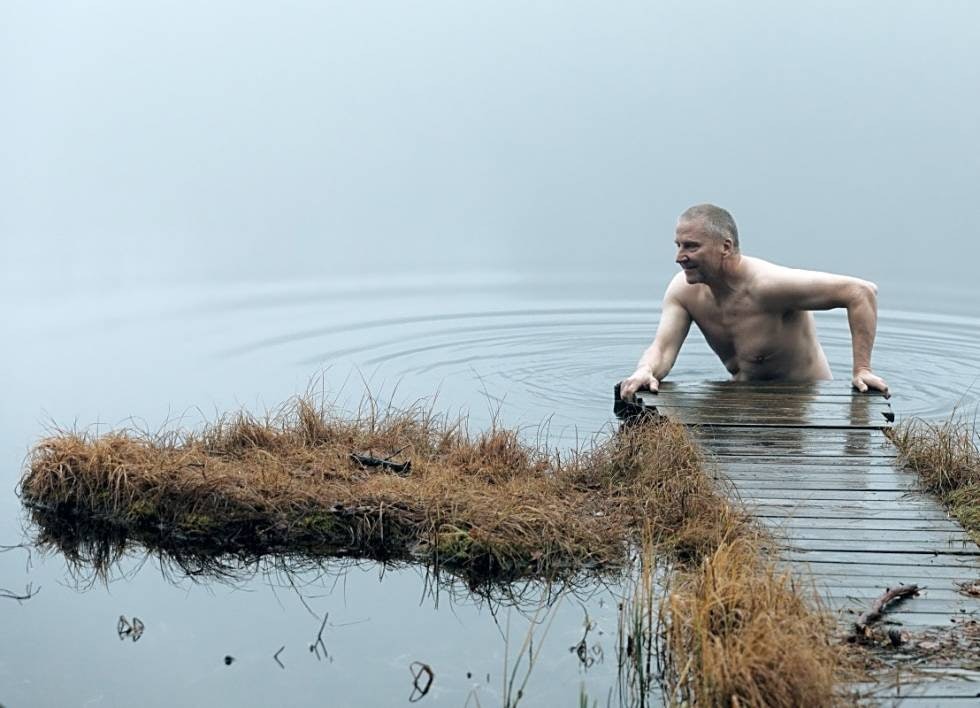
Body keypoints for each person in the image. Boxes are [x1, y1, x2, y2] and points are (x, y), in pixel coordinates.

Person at [619, 204, 890, 399]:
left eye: (691, 246)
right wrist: (645, 370)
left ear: (725, 247)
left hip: (802, 408)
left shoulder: (768, 286)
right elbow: (662, 349)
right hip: (744, 404)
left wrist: (862, 370)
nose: (679, 257)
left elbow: (861, 292)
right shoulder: (684, 291)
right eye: (678, 245)